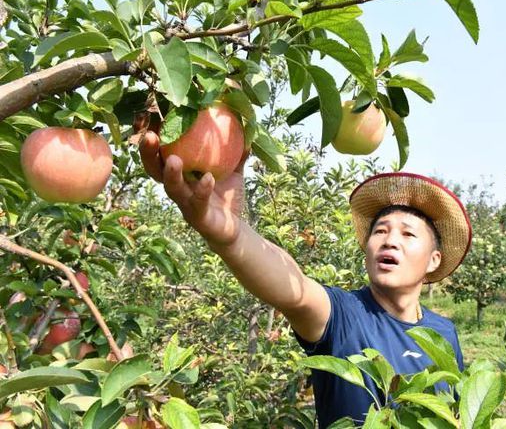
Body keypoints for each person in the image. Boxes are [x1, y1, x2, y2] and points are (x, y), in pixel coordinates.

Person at [139, 131, 471, 427]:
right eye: (380, 231)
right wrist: (231, 235)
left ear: (434, 260)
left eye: (408, 234)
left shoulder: (444, 333)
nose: (390, 240)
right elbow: (294, 288)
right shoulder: (344, 315)